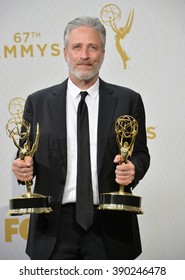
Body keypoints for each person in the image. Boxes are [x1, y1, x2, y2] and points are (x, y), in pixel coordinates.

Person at [11, 16, 150, 260]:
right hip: (53, 228)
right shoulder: (38, 102)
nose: (84, 55)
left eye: (92, 47)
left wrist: (133, 170)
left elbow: (140, 155)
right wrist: (23, 169)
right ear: (65, 52)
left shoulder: (128, 100)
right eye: (77, 47)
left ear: (103, 53)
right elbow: (25, 154)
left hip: (111, 228)